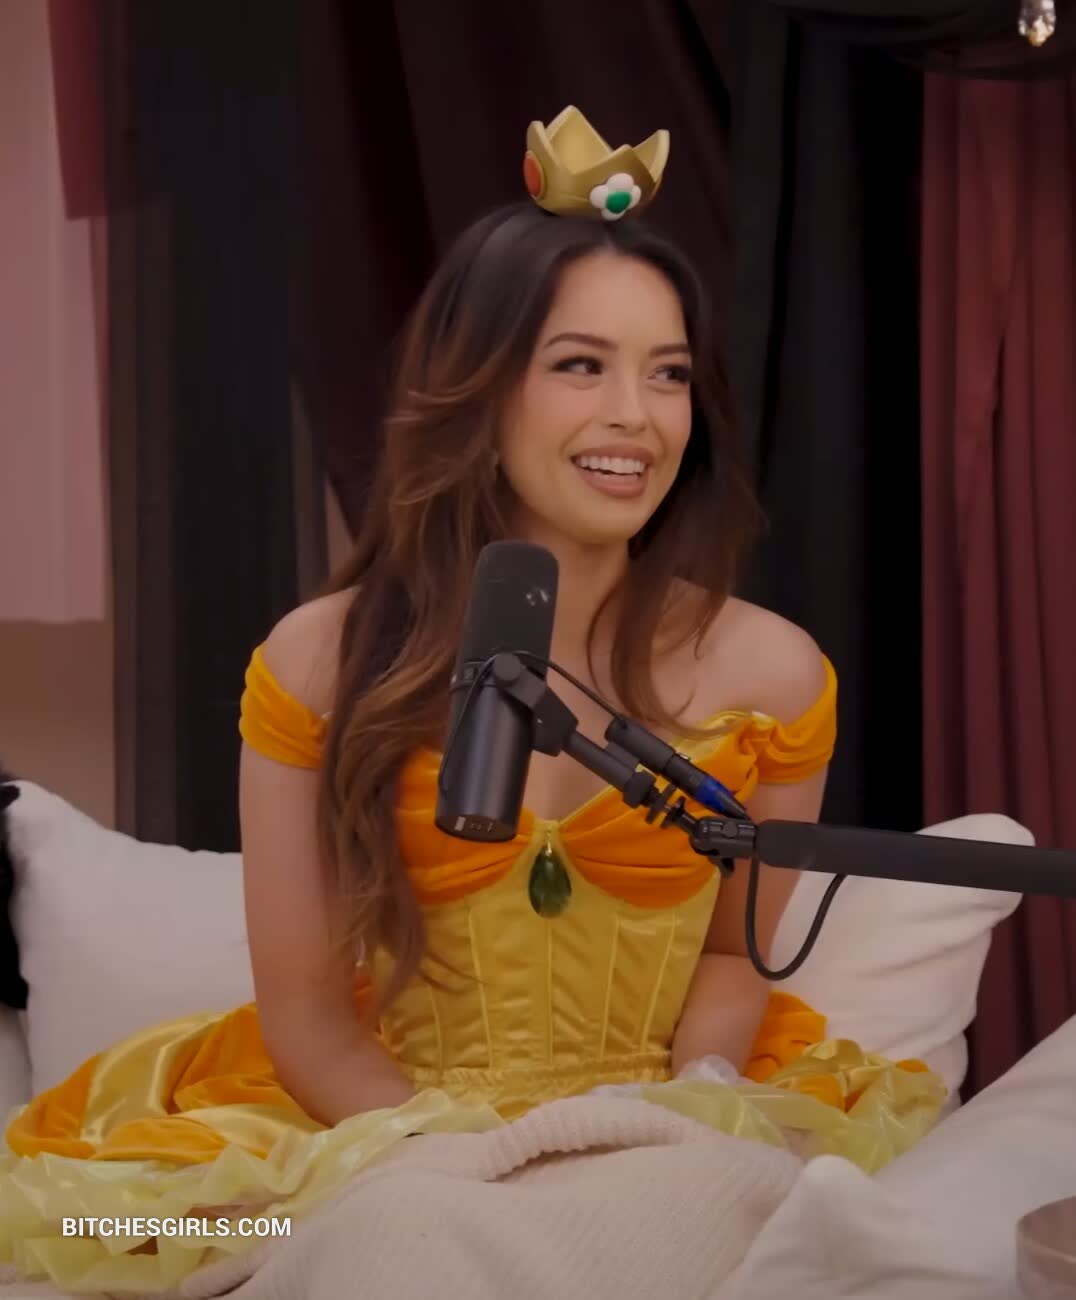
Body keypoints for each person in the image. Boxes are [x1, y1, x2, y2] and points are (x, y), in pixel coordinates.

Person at [0, 107, 944, 1292]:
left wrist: (680, 1114)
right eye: (578, 365)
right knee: (263, 1240)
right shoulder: (317, 662)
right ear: (480, 390)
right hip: (382, 1135)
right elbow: (307, 1020)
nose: (634, 416)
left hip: (659, 1131)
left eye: (666, 375)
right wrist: (461, 1163)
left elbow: (728, 959)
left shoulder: (774, 673)